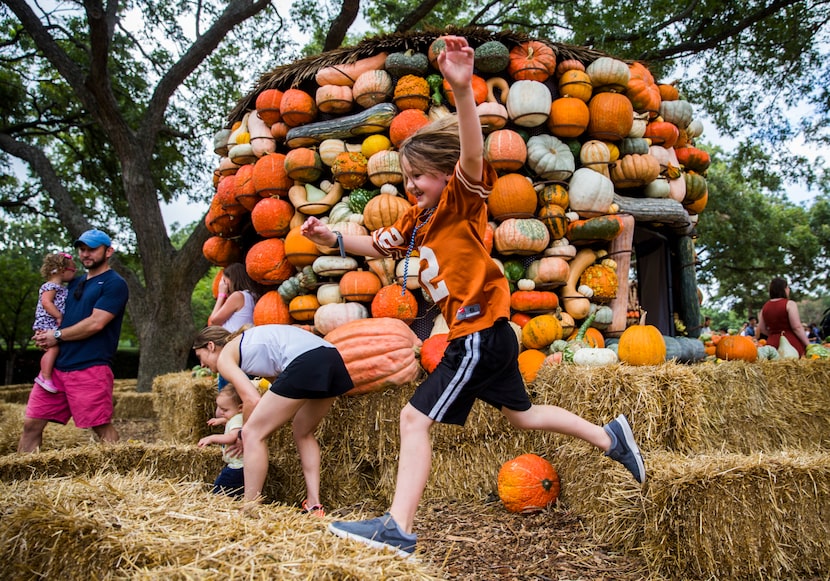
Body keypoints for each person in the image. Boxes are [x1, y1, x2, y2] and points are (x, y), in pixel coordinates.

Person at [301, 36, 646, 559]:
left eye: (419, 176)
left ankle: (398, 527)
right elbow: (376, 243)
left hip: (478, 331)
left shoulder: (463, 201)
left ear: (445, 174)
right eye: (408, 176)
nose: (412, 184)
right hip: (487, 336)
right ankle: (610, 438)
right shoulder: (415, 219)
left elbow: (472, 149)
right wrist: (333, 239)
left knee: (414, 418)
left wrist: (462, 89)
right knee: (522, 416)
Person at [192, 324, 354, 515]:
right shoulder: (252, 346)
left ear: (210, 346)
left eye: (199, 357)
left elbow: (252, 399)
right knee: (303, 431)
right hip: (331, 356)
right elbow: (278, 386)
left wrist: (243, 435)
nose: (202, 365)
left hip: (306, 360)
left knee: (252, 433)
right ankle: (314, 504)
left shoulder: (225, 358)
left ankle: (250, 507)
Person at [19, 229, 129, 452]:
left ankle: (122, 477)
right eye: (82, 249)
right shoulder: (74, 283)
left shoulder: (114, 284)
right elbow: (50, 309)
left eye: (92, 249)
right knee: (31, 424)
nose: (85, 254)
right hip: (57, 369)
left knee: (100, 427)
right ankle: (21, 479)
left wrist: (56, 336)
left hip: (90, 367)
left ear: (108, 251)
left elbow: (96, 322)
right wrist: (43, 333)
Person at [32, 252, 77, 393]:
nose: (75, 274)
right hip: (47, 322)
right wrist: (58, 316)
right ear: (63, 270)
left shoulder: (60, 288)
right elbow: (46, 302)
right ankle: (44, 376)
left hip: (50, 323)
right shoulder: (50, 286)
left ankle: (46, 375)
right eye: (73, 270)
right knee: (53, 348)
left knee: (55, 348)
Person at [198, 385, 246, 498]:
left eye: (225, 410)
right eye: (220, 408)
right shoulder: (238, 416)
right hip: (240, 465)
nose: (221, 412)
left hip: (238, 466)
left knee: (221, 487)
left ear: (240, 408)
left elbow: (232, 437)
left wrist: (211, 438)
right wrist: (221, 420)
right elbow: (231, 420)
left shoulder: (237, 419)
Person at [757, 277, 810, 357]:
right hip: (791, 344)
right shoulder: (790, 304)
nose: (789, 289)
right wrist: (809, 345)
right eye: (787, 287)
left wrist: (774, 334)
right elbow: (797, 327)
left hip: (772, 345)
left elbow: (762, 328)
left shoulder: (765, 307)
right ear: (784, 289)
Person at [208, 263, 261, 332]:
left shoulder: (238, 296)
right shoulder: (253, 295)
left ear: (231, 280)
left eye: (224, 280)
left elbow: (213, 322)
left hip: (233, 338)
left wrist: (221, 295)